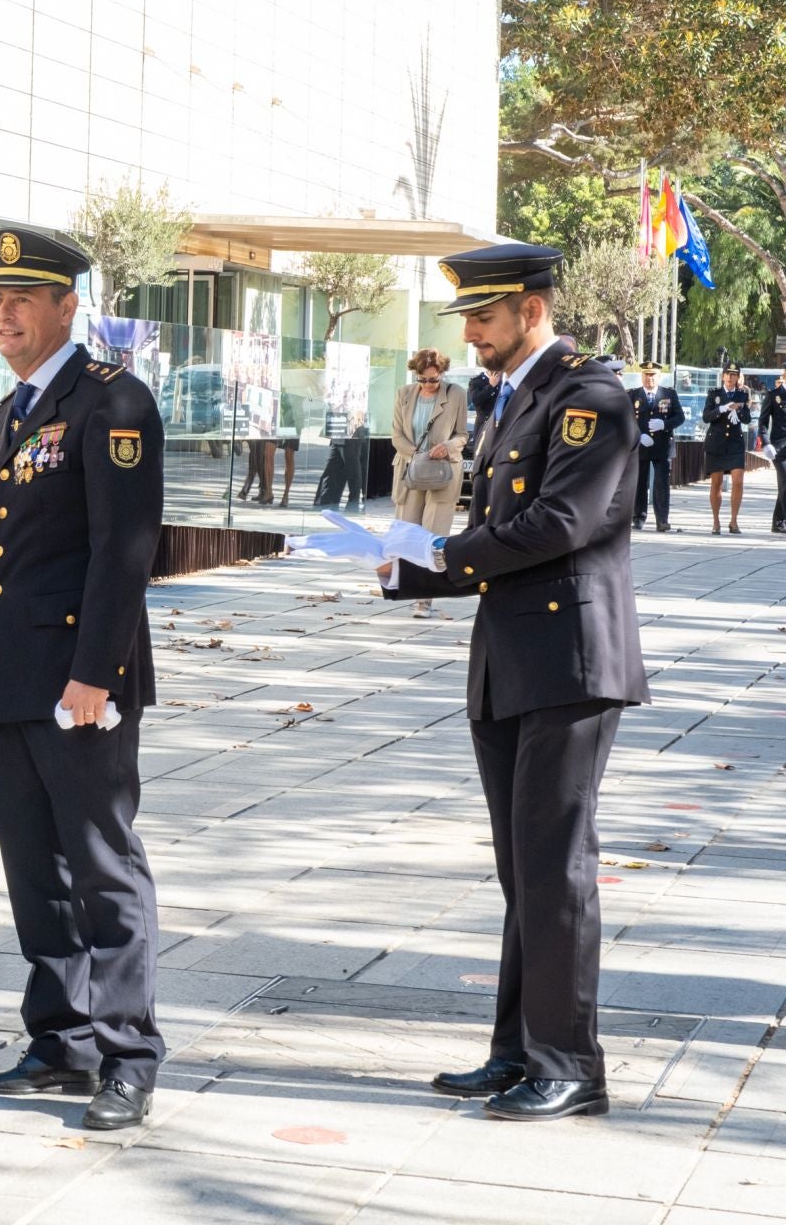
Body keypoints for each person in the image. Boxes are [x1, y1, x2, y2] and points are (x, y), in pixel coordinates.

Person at [289, 242, 647, 1122]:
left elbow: (559, 523)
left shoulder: (586, 396)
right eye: (469, 321)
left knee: (555, 867)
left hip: (570, 659)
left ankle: (571, 1064)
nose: (473, 335)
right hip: (511, 658)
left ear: (531, 309)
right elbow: (499, 528)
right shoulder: (514, 399)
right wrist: (399, 563)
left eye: (484, 318)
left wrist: (432, 551)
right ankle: (519, 1050)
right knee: (521, 868)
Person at [0, 229, 166, 1132]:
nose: (5, 315)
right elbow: (0, 556)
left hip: (80, 681)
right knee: (33, 871)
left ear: (67, 307)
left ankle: (127, 1054)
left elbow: (124, 550)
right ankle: (60, 1038)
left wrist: (95, 675)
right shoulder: (17, 408)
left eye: (24, 299)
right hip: (12, 676)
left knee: (102, 867)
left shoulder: (112, 401)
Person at [390, 349, 467, 618]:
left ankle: (425, 598)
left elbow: (462, 434)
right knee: (409, 534)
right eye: (422, 379)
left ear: (442, 374)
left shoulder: (456, 393)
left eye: (433, 380)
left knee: (434, 538)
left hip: (443, 472)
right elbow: (396, 434)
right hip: (410, 471)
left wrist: (447, 446)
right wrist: (416, 455)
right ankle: (410, 587)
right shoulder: (404, 393)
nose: (427, 385)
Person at [627, 362, 685, 532]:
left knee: (661, 484)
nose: (649, 378)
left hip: (662, 446)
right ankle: (638, 517)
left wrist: (664, 424)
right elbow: (626, 419)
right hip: (641, 445)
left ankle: (662, 519)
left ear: (659, 377)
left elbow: (680, 417)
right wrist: (638, 435)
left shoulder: (669, 394)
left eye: (652, 375)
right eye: (646, 374)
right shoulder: (633, 395)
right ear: (642, 376)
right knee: (639, 483)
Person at [701, 363, 752, 534]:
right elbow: (706, 416)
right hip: (716, 442)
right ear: (723, 376)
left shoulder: (742, 395)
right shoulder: (714, 394)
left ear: (738, 377)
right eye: (727, 374)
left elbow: (747, 419)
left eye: (734, 374)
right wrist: (721, 409)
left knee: (738, 481)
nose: (730, 377)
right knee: (716, 483)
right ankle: (716, 521)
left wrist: (739, 410)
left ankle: (734, 521)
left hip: (735, 444)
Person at [759, 370, 786, 534]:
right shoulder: (774, 395)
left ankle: (778, 521)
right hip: (779, 447)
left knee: (783, 485)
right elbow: (762, 422)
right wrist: (766, 443)